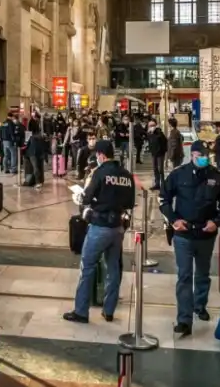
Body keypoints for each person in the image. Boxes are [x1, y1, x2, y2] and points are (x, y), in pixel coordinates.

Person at [160, 141, 220, 337]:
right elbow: (163, 199)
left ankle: (199, 306)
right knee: (184, 276)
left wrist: (217, 222)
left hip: (205, 234)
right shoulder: (178, 174)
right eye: (199, 155)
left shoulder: (217, 177)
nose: (203, 158)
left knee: (202, 273)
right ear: (192, 155)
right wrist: (174, 220)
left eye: (206, 155)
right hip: (183, 233)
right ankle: (184, 319)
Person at [63, 141, 135, 323]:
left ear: (101, 155)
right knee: (113, 269)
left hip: (100, 226)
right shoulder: (126, 175)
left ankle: (81, 311)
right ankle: (108, 310)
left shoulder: (99, 172)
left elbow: (85, 198)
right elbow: (129, 202)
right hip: (118, 227)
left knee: (87, 267)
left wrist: (78, 197)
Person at [146, 118, 167, 190]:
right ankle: (157, 183)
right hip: (153, 153)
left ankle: (163, 184)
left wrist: (154, 131)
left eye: (152, 125)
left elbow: (162, 139)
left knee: (160, 169)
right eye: (150, 125)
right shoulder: (149, 133)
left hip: (160, 153)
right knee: (155, 168)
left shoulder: (159, 132)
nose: (151, 127)